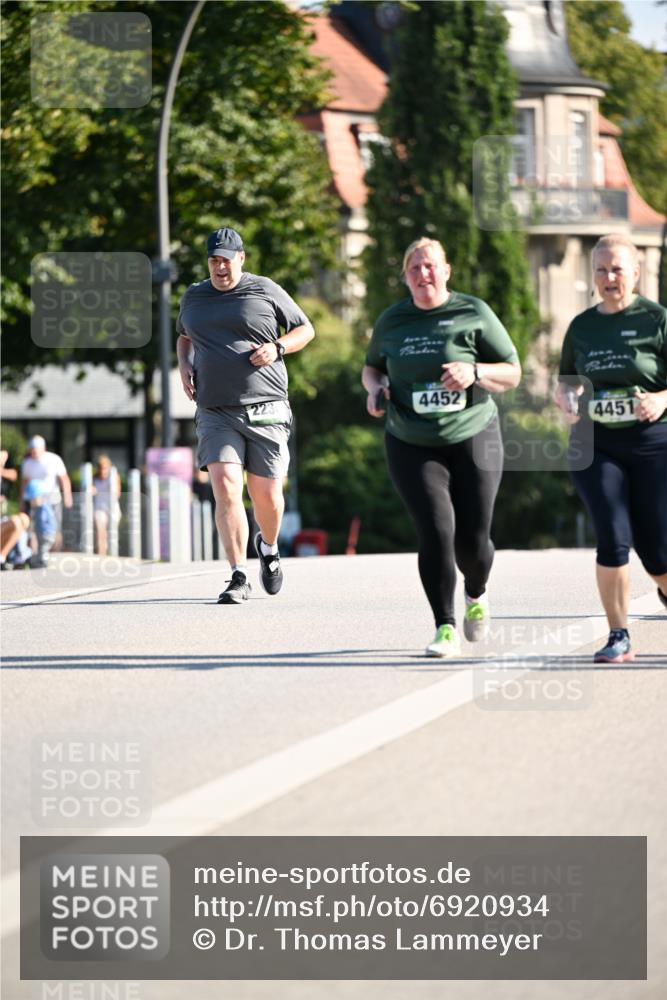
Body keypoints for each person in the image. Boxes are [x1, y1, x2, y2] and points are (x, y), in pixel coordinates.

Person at [363, 237, 521, 657]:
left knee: (472, 540)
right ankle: (444, 627)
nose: (423, 274)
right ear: (405, 277)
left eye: (430, 266)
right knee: (435, 531)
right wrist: (375, 389)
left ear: (446, 270)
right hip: (411, 441)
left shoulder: (473, 312)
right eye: (414, 268)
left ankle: (476, 590)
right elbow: (371, 368)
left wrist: (474, 371)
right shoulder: (393, 320)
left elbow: (513, 372)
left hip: (474, 435)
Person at [176, 226, 314, 603]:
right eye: (214, 261)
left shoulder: (265, 289)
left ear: (241, 258)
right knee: (225, 487)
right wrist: (184, 365)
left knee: (267, 496)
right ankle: (238, 574)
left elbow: (306, 329)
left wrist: (278, 348)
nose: (220, 268)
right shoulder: (194, 296)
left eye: (226, 260)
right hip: (215, 409)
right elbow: (184, 336)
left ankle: (267, 547)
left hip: (266, 405)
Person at [555, 233, 667, 664]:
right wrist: (565, 399)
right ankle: (618, 635)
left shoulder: (656, 320)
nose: (609, 277)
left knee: (657, 552)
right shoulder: (581, 327)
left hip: (652, 443)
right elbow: (566, 382)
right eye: (601, 270)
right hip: (595, 442)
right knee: (613, 538)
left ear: (636, 273)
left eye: (617, 269)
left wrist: (659, 400)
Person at [20, 435, 72, 561]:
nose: (33, 452)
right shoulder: (27, 463)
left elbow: (64, 479)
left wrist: (67, 496)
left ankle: (55, 553)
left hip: (53, 500)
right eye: (31, 450)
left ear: (43, 448)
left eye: (35, 450)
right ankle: (39, 553)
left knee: (54, 528)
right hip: (35, 501)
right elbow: (24, 483)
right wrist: (21, 501)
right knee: (36, 527)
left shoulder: (54, 459)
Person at [92, 455, 122, 557]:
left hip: (112, 509)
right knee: (101, 533)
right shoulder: (94, 478)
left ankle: (112, 555)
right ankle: (102, 555)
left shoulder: (114, 477)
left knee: (112, 534)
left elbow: (117, 493)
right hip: (99, 508)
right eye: (101, 468)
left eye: (105, 468)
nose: (103, 471)